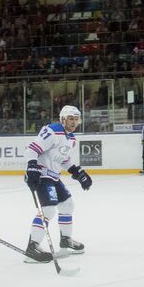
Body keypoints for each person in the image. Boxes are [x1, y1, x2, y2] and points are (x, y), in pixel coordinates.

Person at [23, 104, 91, 262]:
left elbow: (64, 160)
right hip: (41, 175)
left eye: (76, 119)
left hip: (53, 176)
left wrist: (77, 172)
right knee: (47, 210)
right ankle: (32, 248)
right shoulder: (53, 130)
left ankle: (65, 239)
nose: (73, 122)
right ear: (63, 119)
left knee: (67, 204)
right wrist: (32, 167)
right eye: (70, 119)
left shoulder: (71, 139)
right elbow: (32, 149)